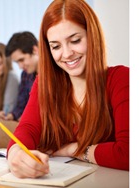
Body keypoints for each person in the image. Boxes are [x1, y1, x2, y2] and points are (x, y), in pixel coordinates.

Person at [7, 0, 129, 178]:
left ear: (92, 35)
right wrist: (15, 155)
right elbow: (26, 130)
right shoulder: (44, 84)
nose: (66, 54)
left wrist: (76, 150)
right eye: (55, 46)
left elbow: (128, 153)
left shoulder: (121, 79)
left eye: (75, 40)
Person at [0, 31, 38, 121]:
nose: (20, 66)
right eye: (17, 62)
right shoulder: (25, 75)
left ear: (35, 50)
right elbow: (22, 104)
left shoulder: (54, 72)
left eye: (22, 60)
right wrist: (12, 115)